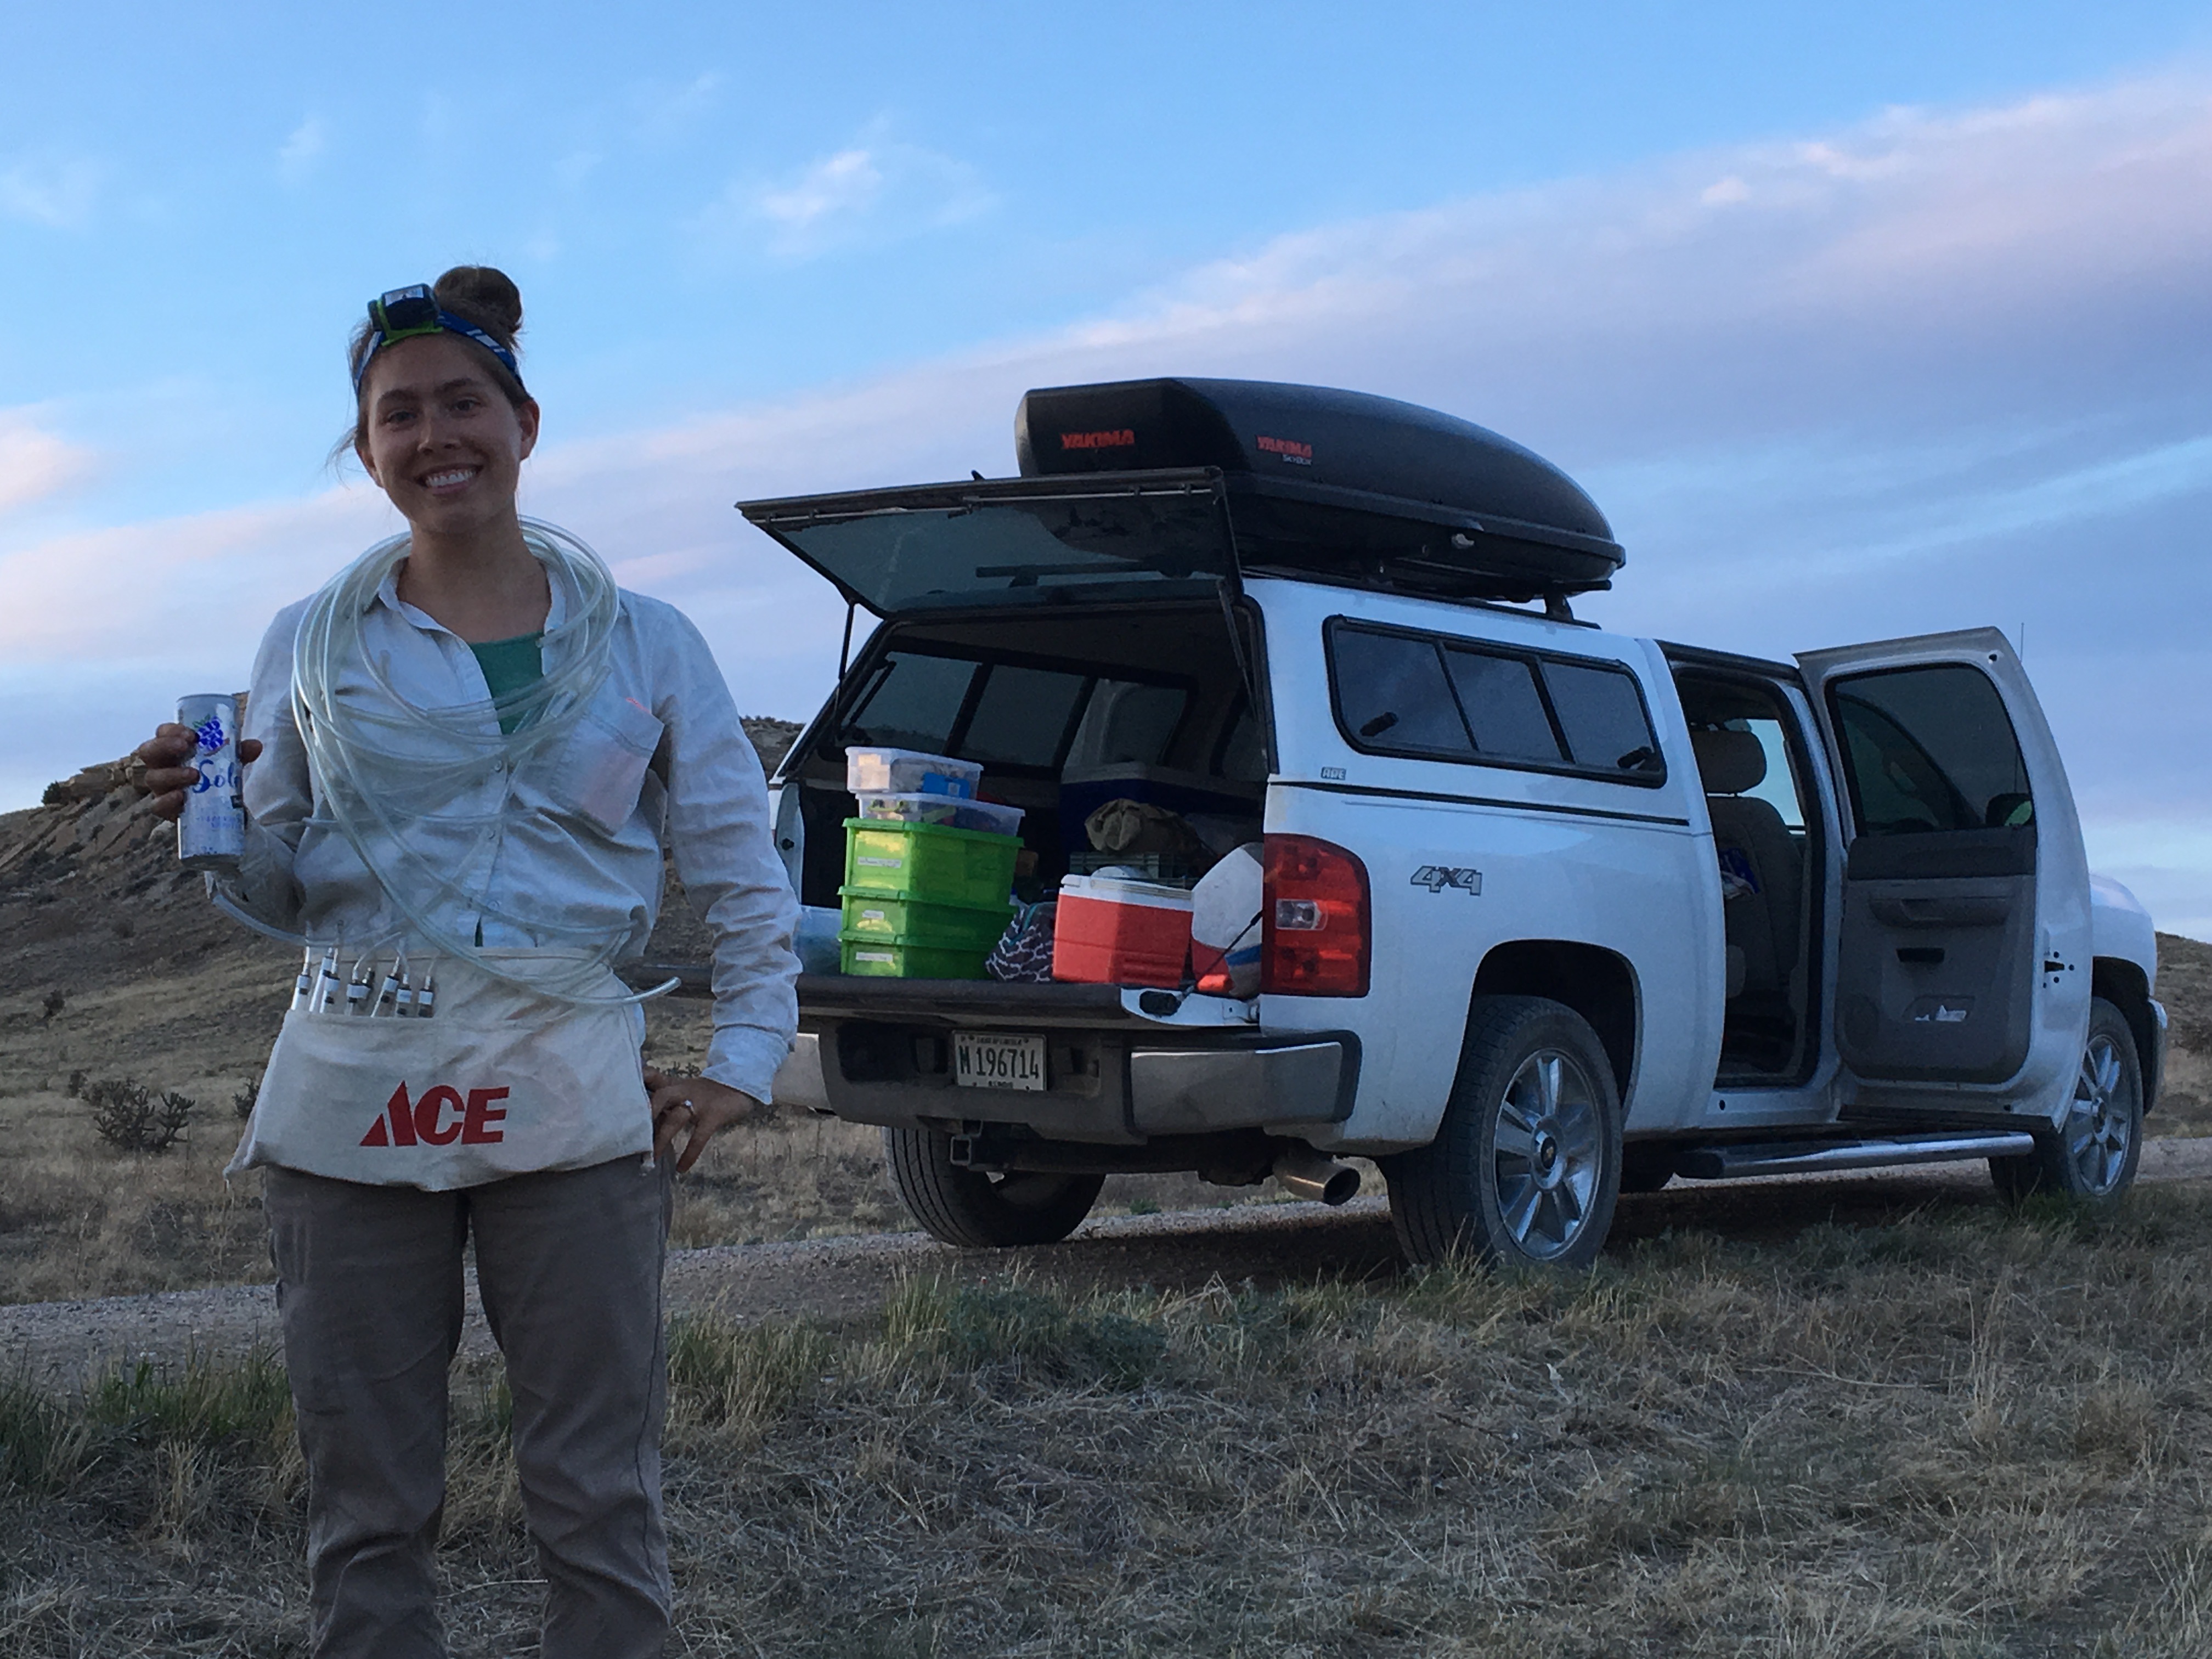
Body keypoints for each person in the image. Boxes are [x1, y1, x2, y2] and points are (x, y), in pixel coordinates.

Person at [136, 266, 799, 1659]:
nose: (436, 435)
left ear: (524, 421)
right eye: (399, 415)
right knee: (364, 1501)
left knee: (598, 1494)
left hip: (567, 1088)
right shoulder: (309, 645)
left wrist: (743, 1064)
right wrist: (199, 820)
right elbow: (275, 879)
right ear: (367, 451)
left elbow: (744, 865)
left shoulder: (646, 643)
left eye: (464, 403)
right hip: (354, 1083)